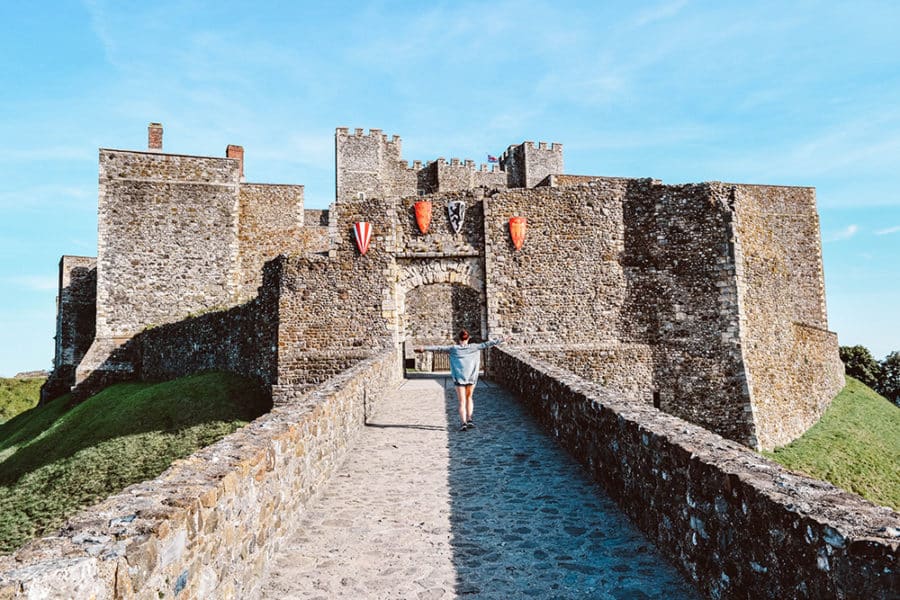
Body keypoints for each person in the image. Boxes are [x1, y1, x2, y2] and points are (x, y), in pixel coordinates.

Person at [415, 330, 504, 431]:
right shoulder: (474, 347)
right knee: (469, 398)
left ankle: (463, 423)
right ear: (468, 338)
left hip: (459, 378)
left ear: (458, 338)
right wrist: (501, 339)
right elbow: (487, 344)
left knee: (462, 402)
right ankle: (469, 419)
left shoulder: (454, 349)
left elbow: (438, 348)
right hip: (471, 378)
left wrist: (424, 348)